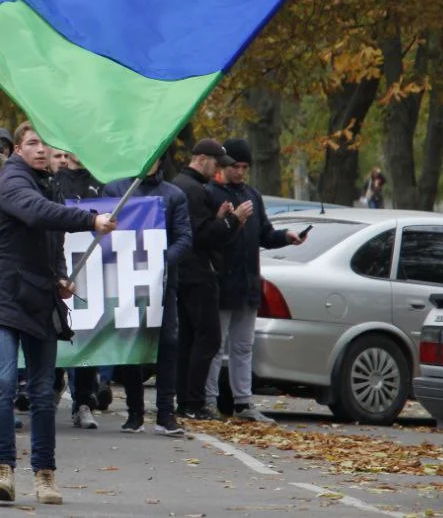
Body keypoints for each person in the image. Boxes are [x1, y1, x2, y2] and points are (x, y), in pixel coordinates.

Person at [0, 122, 116, 504]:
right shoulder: (12, 181)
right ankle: (3, 469)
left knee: (43, 392)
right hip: (3, 297)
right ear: (19, 149)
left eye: (47, 144)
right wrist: (89, 220)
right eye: (33, 143)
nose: (41, 150)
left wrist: (60, 277)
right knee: (5, 383)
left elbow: (51, 242)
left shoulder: (51, 183)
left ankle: (44, 475)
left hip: (40, 300)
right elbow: (37, 214)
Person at [205, 139, 304, 422]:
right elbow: (211, 235)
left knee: (243, 346)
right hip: (222, 280)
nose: (240, 172)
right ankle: (209, 400)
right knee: (216, 345)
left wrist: (285, 237)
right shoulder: (211, 193)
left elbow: (264, 234)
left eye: (245, 167)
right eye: (236, 166)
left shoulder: (252, 195)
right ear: (224, 166)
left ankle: (243, 401)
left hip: (248, 282)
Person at [102, 157, 193, 437]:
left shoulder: (173, 194)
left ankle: (166, 413)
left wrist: (161, 262)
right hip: (126, 281)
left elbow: (185, 238)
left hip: (163, 282)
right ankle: (134, 413)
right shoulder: (115, 190)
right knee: (131, 344)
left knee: (167, 343)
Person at [171, 138, 247, 420]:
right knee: (209, 337)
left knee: (189, 339)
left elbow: (197, 227)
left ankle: (185, 400)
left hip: (185, 272)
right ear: (202, 158)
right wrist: (232, 220)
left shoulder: (180, 184)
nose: (217, 170)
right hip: (197, 273)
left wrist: (218, 219)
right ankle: (193, 401)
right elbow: (201, 235)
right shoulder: (193, 189)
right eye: (216, 163)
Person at [50, 154, 106, 430]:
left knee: (86, 336)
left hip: (91, 269)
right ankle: (52, 386)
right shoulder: (54, 180)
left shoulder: (101, 180)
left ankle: (84, 401)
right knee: (57, 331)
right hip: (59, 264)